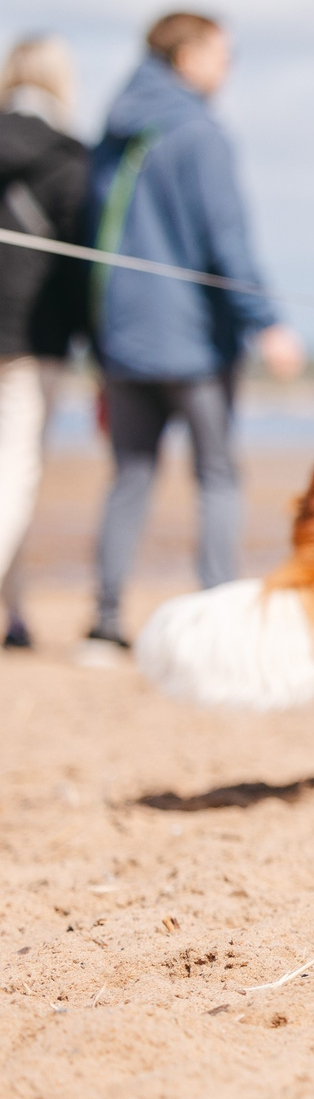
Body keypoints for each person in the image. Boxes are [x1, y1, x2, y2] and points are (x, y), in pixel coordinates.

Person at [83, 11, 304, 655]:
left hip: (121, 337)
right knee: (217, 476)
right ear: (186, 57)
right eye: (222, 55)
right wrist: (267, 323)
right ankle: (218, 615)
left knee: (130, 476)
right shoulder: (201, 134)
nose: (228, 69)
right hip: (193, 343)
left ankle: (104, 622)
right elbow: (225, 241)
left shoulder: (114, 132)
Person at [0, 36, 91, 649]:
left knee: (11, 476)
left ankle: (15, 613)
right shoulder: (68, 154)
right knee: (15, 473)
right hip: (32, 340)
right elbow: (81, 268)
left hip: (29, 336)